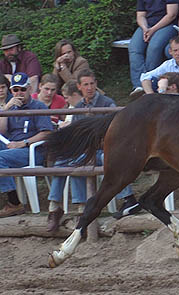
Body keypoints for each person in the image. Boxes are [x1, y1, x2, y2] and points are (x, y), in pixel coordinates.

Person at [46, 69, 140, 231]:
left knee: (107, 160)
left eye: (92, 84)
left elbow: (117, 133)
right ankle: (55, 207)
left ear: (96, 84)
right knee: (63, 161)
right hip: (87, 151)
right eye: (85, 84)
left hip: (104, 149)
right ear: (79, 87)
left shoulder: (107, 103)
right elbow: (77, 135)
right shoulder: (78, 107)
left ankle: (126, 199)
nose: (89, 87)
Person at [0, 72, 53, 218]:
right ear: (11, 91)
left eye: (22, 89)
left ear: (29, 89)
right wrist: (5, 110)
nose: (19, 93)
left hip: (32, 150)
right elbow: (1, 131)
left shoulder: (38, 106)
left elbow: (47, 133)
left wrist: (23, 143)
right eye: (15, 90)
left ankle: (14, 203)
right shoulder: (11, 107)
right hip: (13, 148)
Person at [128, 0, 179, 98]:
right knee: (134, 48)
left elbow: (172, 14)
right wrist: (145, 28)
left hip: (167, 25)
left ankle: (151, 83)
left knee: (154, 47)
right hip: (147, 26)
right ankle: (139, 86)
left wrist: (153, 30)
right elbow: (140, 16)